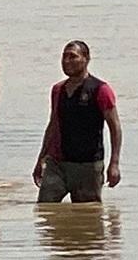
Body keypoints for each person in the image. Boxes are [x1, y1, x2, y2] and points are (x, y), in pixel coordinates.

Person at [32, 40, 122, 203]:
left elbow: (115, 127)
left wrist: (114, 163)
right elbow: (53, 126)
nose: (67, 61)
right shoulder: (58, 90)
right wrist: (41, 159)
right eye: (64, 57)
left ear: (86, 59)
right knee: (45, 210)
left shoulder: (100, 90)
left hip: (87, 166)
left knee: (88, 219)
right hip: (57, 164)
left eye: (73, 57)